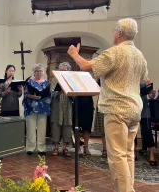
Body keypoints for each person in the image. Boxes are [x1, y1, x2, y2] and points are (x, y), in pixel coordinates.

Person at [67, 18, 148, 192]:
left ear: (119, 33)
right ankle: (126, 188)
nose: (113, 33)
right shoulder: (139, 55)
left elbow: (86, 66)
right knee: (127, 153)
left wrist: (74, 54)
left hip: (116, 109)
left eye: (114, 30)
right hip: (134, 109)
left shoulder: (114, 53)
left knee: (117, 155)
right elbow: (143, 77)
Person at [23, 63, 51, 155]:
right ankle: (30, 148)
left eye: (40, 71)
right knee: (30, 128)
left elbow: (49, 95)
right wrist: (33, 97)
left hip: (43, 108)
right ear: (34, 72)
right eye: (37, 71)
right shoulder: (29, 82)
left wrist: (44, 98)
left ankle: (41, 148)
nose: (39, 72)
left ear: (43, 72)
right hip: (31, 108)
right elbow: (26, 94)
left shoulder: (46, 82)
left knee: (42, 128)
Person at [50, 62, 73, 157]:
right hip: (57, 106)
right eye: (61, 70)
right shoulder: (54, 80)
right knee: (56, 126)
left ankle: (64, 148)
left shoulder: (71, 80)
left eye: (65, 70)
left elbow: (75, 93)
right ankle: (56, 147)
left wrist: (70, 92)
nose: (63, 71)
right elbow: (50, 92)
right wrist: (57, 93)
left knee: (67, 126)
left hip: (67, 106)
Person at [134, 79, 157, 166]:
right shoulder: (131, 78)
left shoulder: (146, 81)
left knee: (147, 132)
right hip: (134, 108)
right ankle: (134, 152)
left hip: (144, 109)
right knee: (133, 132)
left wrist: (152, 93)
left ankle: (151, 155)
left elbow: (151, 97)